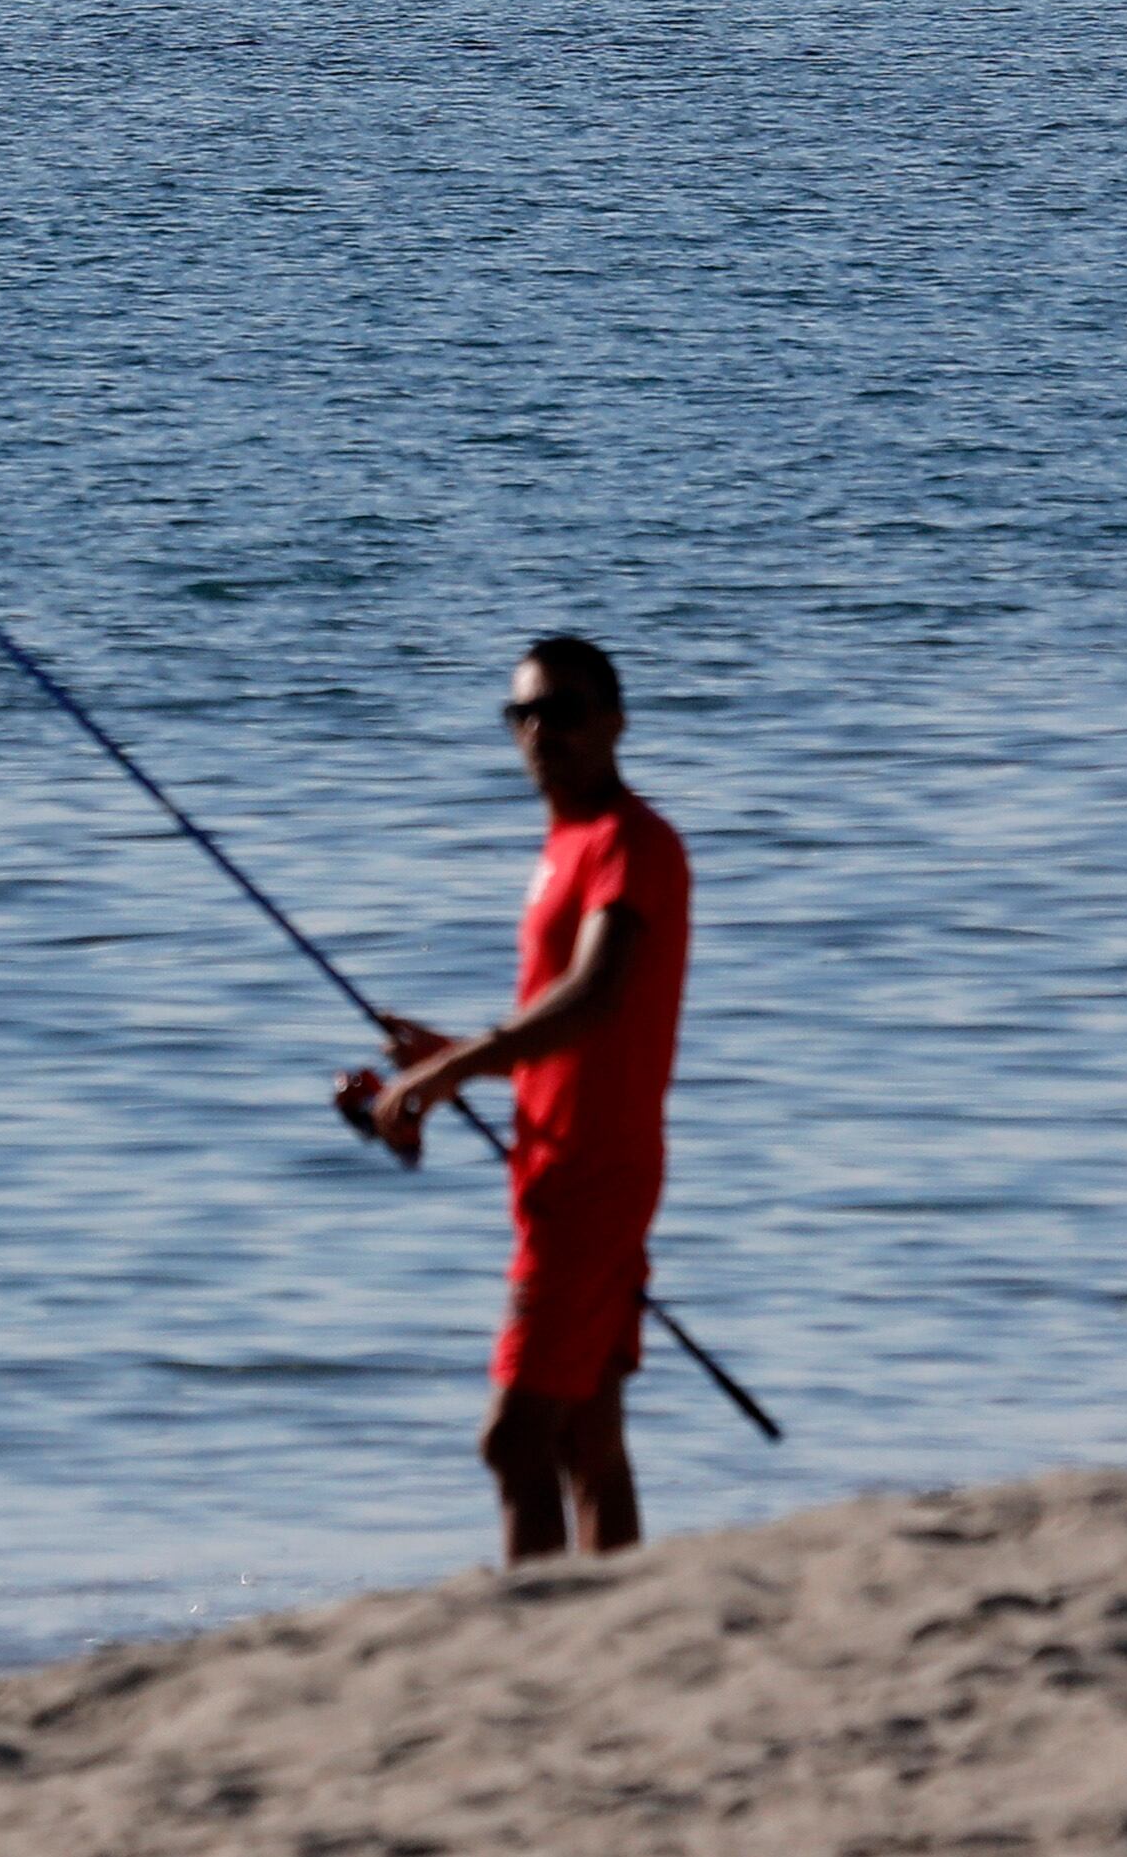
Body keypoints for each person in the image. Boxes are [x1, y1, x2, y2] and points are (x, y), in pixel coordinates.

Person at [352, 634, 695, 1563]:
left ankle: (532, 1626)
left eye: (565, 709)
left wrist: (444, 1075)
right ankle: (618, 1612)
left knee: (513, 1438)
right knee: (587, 1433)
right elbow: (564, 1036)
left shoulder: (631, 843)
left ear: (616, 721)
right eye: (525, 713)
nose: (543, 729)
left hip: (592, 1176)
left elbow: (597, 994)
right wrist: (443, 1051)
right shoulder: (563, 845)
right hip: (554, 1165)